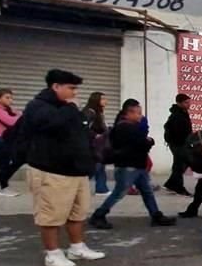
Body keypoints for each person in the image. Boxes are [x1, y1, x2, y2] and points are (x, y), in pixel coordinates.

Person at [24, 69, 106, 266]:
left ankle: (76, 247)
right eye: (71, 88)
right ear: (56, 86)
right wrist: (70, 109)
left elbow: (79, 133)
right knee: (51, 215)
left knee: (77, 213)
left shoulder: (67, 107)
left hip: (76, 170)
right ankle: (52, 254)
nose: (74, 93)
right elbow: (52, 126)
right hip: (52, 171)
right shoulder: (39, 106)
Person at [89, 99, 176, 229]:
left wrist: (146, 141)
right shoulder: (126, 127)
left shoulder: (126, 126)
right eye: (138, 113)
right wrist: (150, 141)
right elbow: (141, 144)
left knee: (147, 192)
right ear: (128, 113)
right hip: (128, 166)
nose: (140, 116)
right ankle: (98, 215)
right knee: (119, 193)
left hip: (137, 166)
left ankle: (156, 215)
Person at [0, 88, 24, 197]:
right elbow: (11, 121)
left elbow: (21, 114)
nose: (10, 100)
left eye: (11, 97)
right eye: (7, 97)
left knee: (19, 159)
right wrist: (20, 116)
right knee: (4, 163)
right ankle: (3, 189)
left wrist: (20, 115)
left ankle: (1, 181)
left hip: (8, 140)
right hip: (0, 140)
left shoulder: (7, 109)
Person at [163, 93, 193, 196]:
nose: (188, 104)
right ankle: (178, 187)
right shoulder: (177, 115)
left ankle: (171, 183)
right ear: (179, 103)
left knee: (180, 165)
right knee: (180, 165)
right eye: (186, 102)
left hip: (182, 144)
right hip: (178, 144)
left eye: (189, 102)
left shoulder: (183, 112)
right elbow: (178, 131)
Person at [83, 91, 110, 196]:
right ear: (96, 100)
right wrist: (95, 135)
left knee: (99, 166)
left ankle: (101, 189)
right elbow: (83, 127)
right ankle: (75, 186)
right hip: (91, 145)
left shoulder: (98, 112)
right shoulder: (90, 112)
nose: (106, 101)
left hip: (98, 145)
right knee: (95, 167)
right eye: (103, 99)